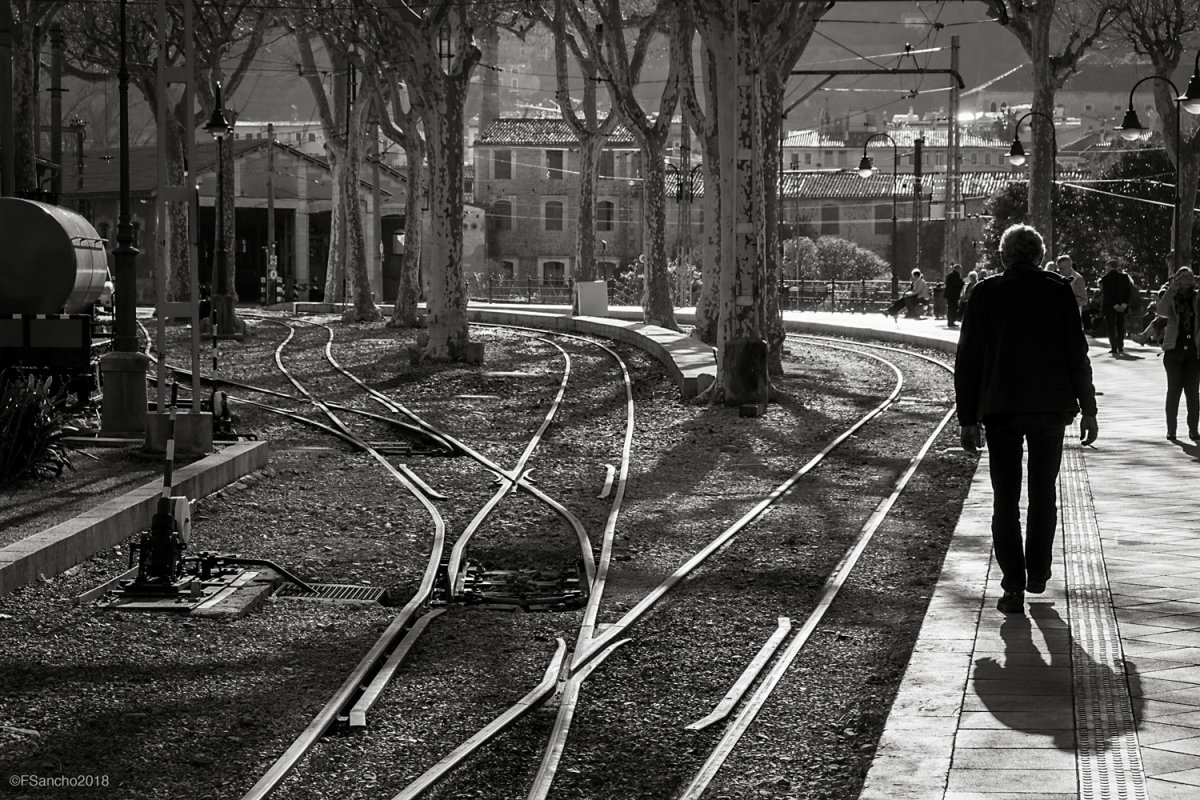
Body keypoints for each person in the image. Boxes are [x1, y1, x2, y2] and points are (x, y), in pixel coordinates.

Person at [955, 224, 1098, 615]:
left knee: (1005, 499)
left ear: (1004, 256)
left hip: (1001, 408)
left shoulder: (985, 293)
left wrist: (968, 417)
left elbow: (967, 360)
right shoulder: (1059, 292)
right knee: (1043, 494)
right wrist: (1089, 407)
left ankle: (1012, 587)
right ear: (1038, 255)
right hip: (1050, 408)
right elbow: (1076, 353)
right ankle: (1038, 571)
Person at [1157, 266, 1200, 441]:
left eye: (1189, 279)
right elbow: (1161, 311)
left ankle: (1193, 429)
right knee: (1174, 390)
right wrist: (1172, 289)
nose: (1185, 282)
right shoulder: (1171, 296)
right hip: (1174, 350)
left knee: (1192, 391)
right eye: (1182, 279)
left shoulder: (1197, 297)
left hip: (1194, 351)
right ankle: (1171, 429)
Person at [1099, 258, 1136, 355]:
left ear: (1110, 267)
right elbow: (1128, 292)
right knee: (1120, 325)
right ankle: (1120, 346)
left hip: (1110, 306)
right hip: (1122, 305)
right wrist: (1124, 304)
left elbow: (1107, 294)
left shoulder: (1105, 279)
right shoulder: (1124, 277)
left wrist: (1114, 305)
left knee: (1111, 326)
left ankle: (1114, 347)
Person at [944, 263, 964, 328]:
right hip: (953, 295)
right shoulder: (954, 275)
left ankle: (951, 321)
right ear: (957, 269)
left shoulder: (950, 275)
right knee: (952, 308)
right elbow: (956, 284)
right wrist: (962, 282)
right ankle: (951, 322)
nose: (961, 270)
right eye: (960, 269)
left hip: (950, 295)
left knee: (951, 308)